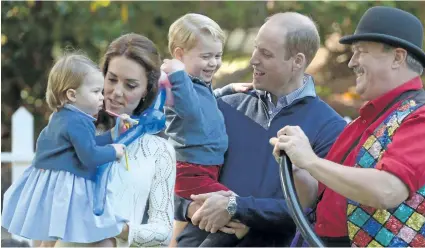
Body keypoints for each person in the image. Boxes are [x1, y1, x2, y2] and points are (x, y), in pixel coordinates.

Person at [270, 6, 425, 247]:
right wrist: (297, 165)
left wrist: (311, 160)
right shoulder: (362, 122)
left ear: (397, 57)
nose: (352, 63)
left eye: (360, 52)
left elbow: (388, 190)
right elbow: (316, 196)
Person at [172, 12, 346, 247]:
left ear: (297, 61)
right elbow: (173, 178)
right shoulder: (223, 105)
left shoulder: (330, 128)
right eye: (255, 49)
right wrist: (191, 207)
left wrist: (237, 208)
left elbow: (312, 211)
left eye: (265, 54)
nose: (253, 60)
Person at [55, 33, 176, 247]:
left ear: (146, 90)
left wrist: (119, 228)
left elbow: (164, 231)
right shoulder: (71, 128)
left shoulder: (160, 150)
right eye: (111, 80)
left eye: (130, 85)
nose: (116, 92)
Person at [2, 53, 128, 246]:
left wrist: (112, 135)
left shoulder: (61, 117)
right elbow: (89, 155)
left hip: (48, 182)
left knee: (46, 236)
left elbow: (87, 144)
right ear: (72, 94)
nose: (102, 97)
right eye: (96, 92)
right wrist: (114, 151)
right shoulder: (78, 121)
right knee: (67, 233)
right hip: (65, 185)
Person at [162, 13, 253, 247]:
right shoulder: (177, 87)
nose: (213, 63)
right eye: (206, 56)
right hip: (190, 170)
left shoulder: (195, 84)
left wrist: (228, 89)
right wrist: (177, 72)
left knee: (208, 217)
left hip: (204, 169)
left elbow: (205, 101)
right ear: (180, 55)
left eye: (218, 56)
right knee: (237, 211)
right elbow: (192, 112)